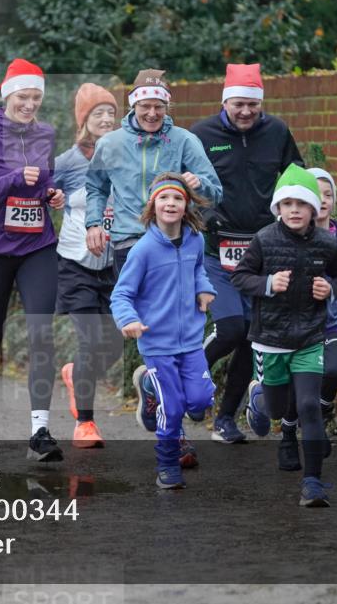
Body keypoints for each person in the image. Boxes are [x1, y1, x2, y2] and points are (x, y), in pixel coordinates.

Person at [85, 68, 221, 463]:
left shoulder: (185, 141)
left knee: (169, 331)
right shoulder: (111, 143)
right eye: (145, 105)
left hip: (176, 242)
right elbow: (95, 187)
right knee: (152, 328)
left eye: (158, 106)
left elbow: (215, 191)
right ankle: (171, 427)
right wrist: (95, 222)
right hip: (131, 243)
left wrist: (197, 186)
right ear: (133, 106)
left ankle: (155, 392)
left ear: (167, 106)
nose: (152, 113)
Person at [189, 63, 304, 444]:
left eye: (253, 105)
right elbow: (180, 183)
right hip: (215, 249)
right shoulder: (202, 134)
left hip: (260, 250)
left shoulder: (276, 132)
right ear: (226, 102)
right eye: (239, 104)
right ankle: (184, 378)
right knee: (231, 328)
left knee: (249, 336)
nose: (245, 112)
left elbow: (295, 178)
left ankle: (225, 418)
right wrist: (201, 218)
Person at [0, 58, 65, 462]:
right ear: (7, 97)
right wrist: (12, 181)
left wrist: (53, 195)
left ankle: (39, 430)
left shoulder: (47, 134)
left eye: (36, 97)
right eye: (23, 96)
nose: (30, 104)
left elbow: (46, 182)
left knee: (41, 334)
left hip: (36, 246)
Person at [233, 164, 337, 507]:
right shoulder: (264, 239)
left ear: (314, 209)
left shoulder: (327, 243)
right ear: (278, 209)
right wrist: (268, 284)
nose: (295, 210)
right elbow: (240, 277)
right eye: (287, 204)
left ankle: (312, 483)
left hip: (309, 338)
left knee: (307, 407)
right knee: (275, 409)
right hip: (270, 339)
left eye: (302, 204)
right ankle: (258, 397)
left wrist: (329, 288)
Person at [110, 173, 216, 489]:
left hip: (192, 341)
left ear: (187, 206)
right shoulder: (143, 251)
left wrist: (204, 288)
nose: (170, 203)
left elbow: (199, 268)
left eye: (177, 198)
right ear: (153, 205)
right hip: (157, 344)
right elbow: (121, 294)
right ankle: (167, 464)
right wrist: (127, 320)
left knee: (200, 401)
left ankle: (148, 385)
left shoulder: (196, 240)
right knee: (171, 409)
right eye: (164, 198)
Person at [272, 167, 337, 471]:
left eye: (329, 194)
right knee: (300, 388)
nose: (323, 200)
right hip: (294, 326)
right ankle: (287, 436)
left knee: (334, 372)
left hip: (331, 321)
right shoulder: (285, 235)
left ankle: (316, 422)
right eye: (316, 194)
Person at [52, 83, 122, 448]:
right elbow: (42, 195)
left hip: (112, 265)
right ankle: (86, 424)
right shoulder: (67, 162)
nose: (107, 119)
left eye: (111, 113)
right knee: (89, 340)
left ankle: (74, 374)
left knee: (112, 346)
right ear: (84, 120)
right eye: (99, 113)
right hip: (75, 263)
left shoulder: (124, 155)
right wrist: (52, 196)